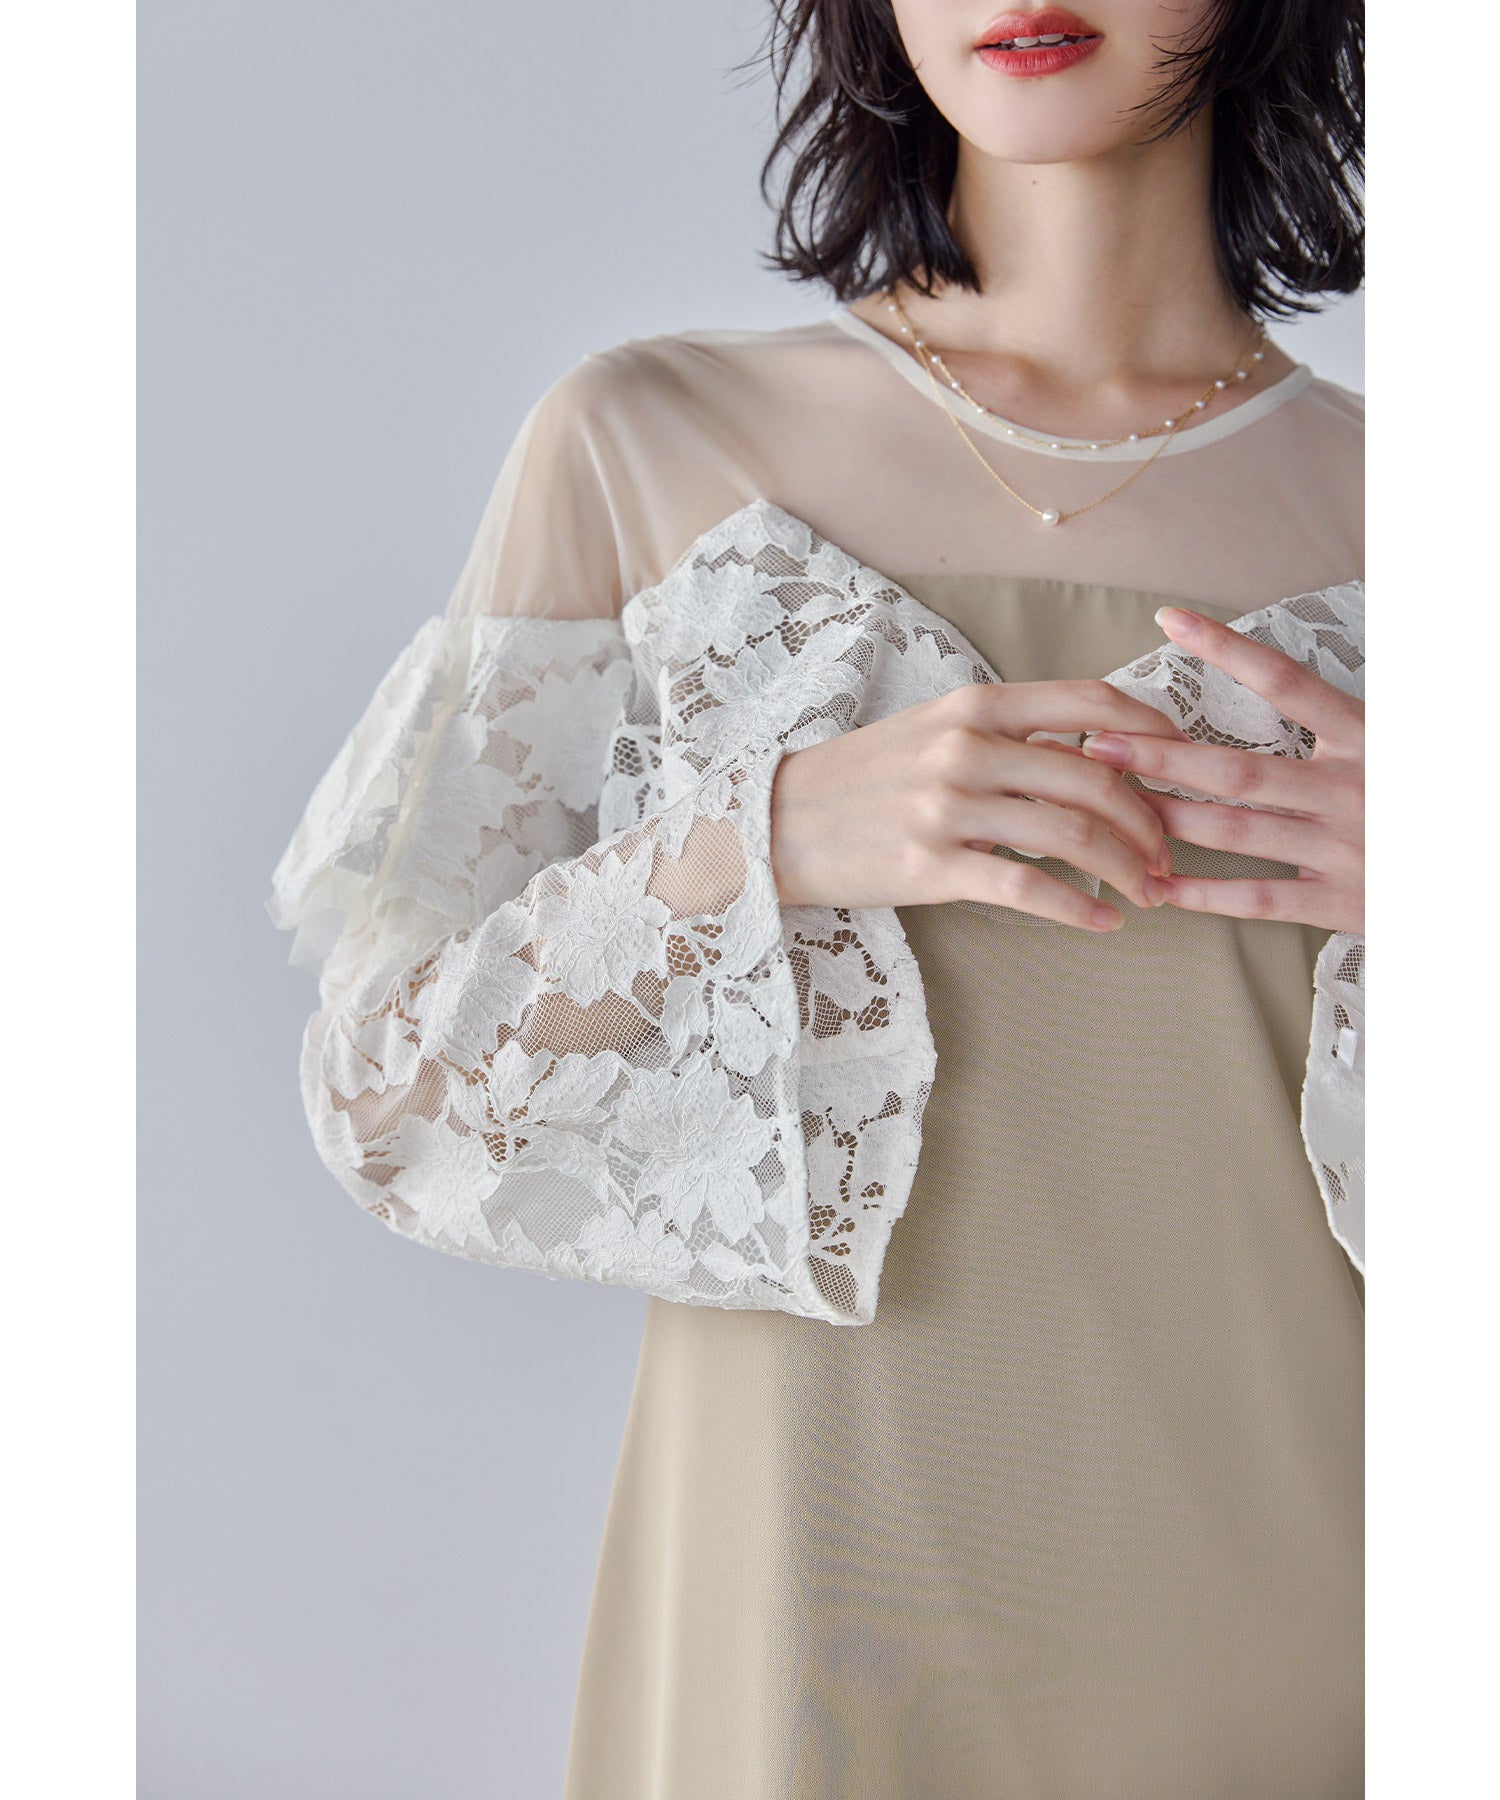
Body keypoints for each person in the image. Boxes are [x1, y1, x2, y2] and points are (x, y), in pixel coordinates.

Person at [266, 0, 1365, 1792]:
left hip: (1313, 1621)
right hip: (810, 1617)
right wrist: (759, 840)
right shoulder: (649, 440)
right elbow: (389, 1093)